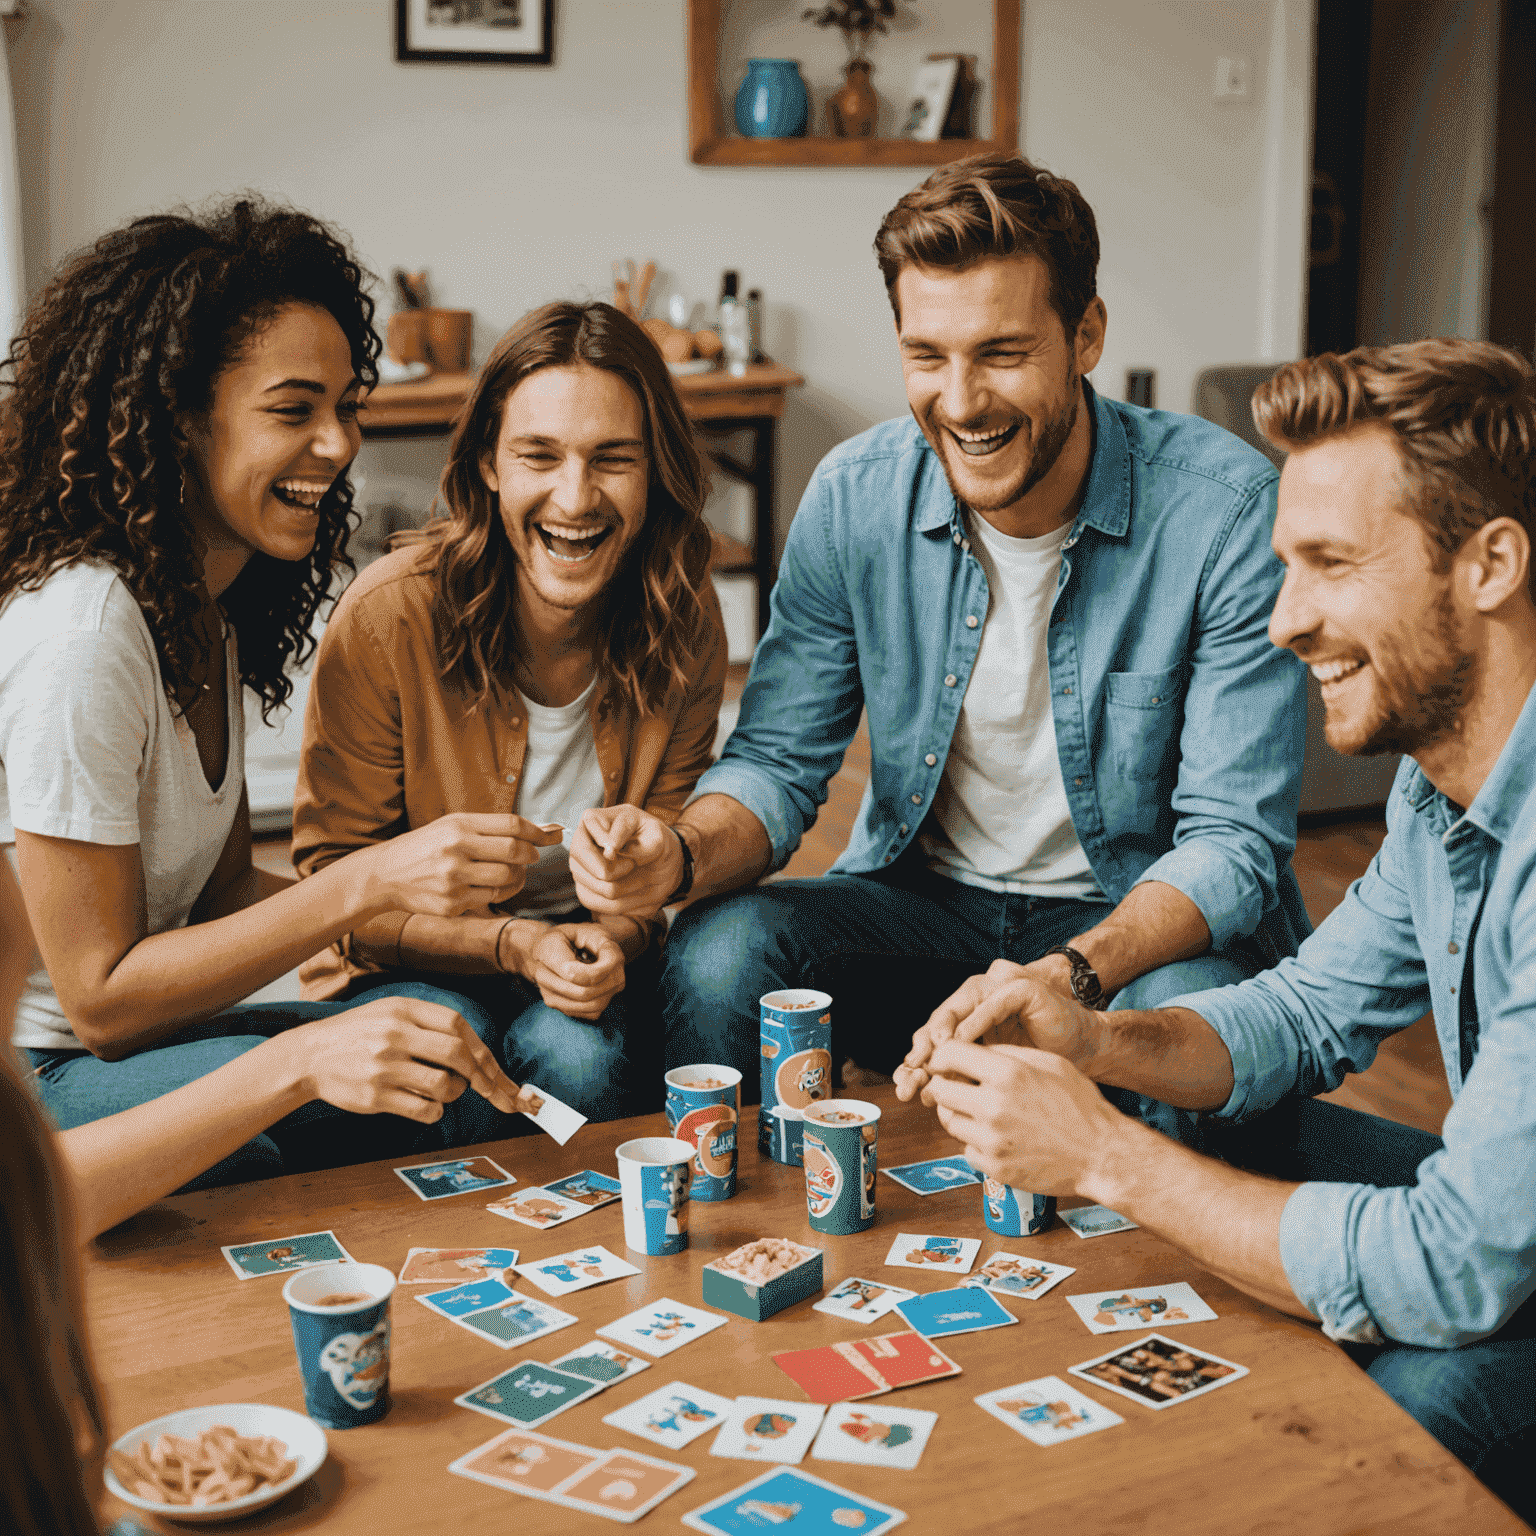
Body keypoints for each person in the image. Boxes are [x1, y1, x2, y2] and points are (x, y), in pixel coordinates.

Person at [901, 339, 1536, 1518]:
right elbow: (1304, 1013)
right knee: (1213, 1117)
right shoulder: (1439, 784)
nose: (1287, 620)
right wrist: (1085, 1035)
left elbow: (1455, 1265)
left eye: (1332, 564)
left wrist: (1102, 1156)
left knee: (1410, 1415)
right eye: (1286, 566)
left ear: (1491, 563)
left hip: (1496, 1251)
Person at [571, 152, 1308, 1135]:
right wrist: (674, 854)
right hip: (925, 906)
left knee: (1198, 1011)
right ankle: (731, 1248)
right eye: (927, 355)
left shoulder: (1223, 513)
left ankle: (1158, 1266)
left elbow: (1234, 843)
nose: (959, 402)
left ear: (1084, 335)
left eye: (1001, 353)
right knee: (720, 947)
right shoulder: (855, 495)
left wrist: (1070, 975)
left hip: (1129, 925)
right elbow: (781, 761)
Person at [0, 199, 546, 1185]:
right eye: (294, 411)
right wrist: (368, 882)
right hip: (49, 1085)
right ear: (176, 417)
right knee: (382, 1102)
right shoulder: (85, 633)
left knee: (447, 1035)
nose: (338, 446)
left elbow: (213, 901)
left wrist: (472, 935)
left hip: (146, 1045)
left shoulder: (204, 605)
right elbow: (101, 999)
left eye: (346, 407)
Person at [291, 300, 725, 1122]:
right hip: (406, 966)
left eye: (613, 459)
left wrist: (617, 936)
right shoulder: (390, 617)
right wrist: (514, 944)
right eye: (539, 455)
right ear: (489, 464)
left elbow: (666, 861)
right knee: (446, 1062)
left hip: (578, 963)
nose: (575, 496)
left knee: (581, 1060)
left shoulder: (684, 612)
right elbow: (335, 892)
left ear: (654, 468)